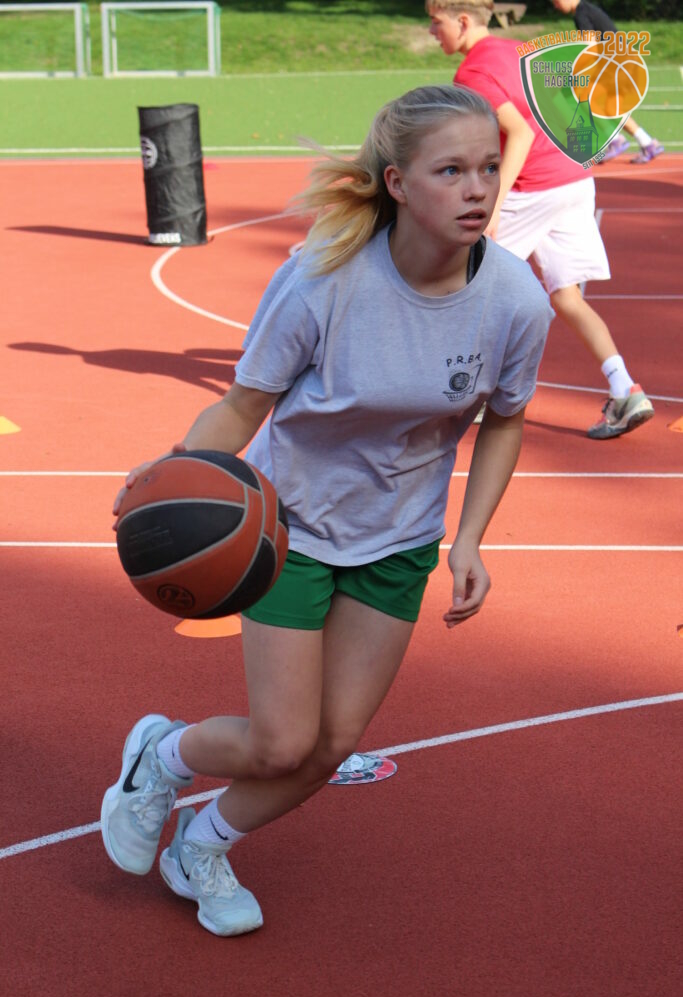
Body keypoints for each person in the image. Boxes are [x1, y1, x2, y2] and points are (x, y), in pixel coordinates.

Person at [101, 83, 553, 938]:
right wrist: (173, 469)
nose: (477, 189)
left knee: (330, 746)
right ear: (397, 183)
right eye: (450, 171)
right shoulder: (324, 278)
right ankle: (162, 754)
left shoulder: (514, 303)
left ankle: (200, 846)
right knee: (281, 743)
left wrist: (469, 539)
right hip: (289, 530)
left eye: (488, 169)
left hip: (399, 540)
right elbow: (244, 404)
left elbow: (506, 419)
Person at [427, 0, 655, 440]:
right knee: (567, 297)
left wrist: (493, 207)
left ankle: (473, 392)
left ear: (462, 21)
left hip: (534, 188)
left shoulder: (472, 73)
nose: (432, 31)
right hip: (575, 180)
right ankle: (625, 389)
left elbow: (522, 133)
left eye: (436, 22)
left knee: (464, 286)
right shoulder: (522, 50)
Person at [550, 0, 665, 163]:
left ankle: (616, 140)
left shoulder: (582, 14)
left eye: (555, 1)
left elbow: (591, 48)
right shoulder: (586, 10)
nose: (555, 6)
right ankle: (646, 143)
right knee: (608, 107)